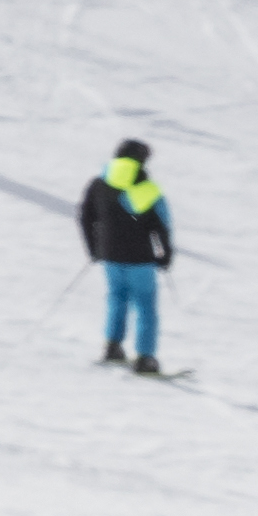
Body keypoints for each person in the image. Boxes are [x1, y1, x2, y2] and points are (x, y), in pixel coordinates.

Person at [78, 141, 173, 373]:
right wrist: (164, 255)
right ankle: (145, 358)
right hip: (140, 258)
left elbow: (85, 216)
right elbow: (161, 225)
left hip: (109, 255)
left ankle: (112, 347)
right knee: (145, 306)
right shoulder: (147, 187)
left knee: (116, 298)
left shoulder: (98, 184)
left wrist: (94, 248)